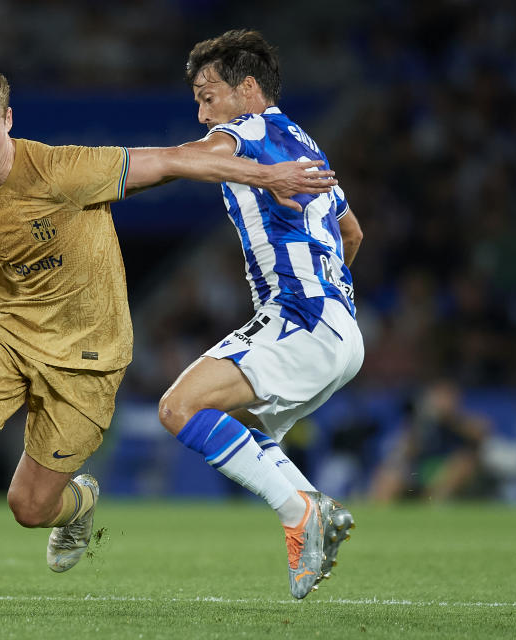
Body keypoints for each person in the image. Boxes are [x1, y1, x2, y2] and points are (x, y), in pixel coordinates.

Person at [0, 59, 335, 611]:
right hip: (9, 334)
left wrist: (269, 174)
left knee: (29, 506)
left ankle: (80, 503)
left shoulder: (62, 170)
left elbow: (168, 161)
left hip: (88, 357)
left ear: (10, 121)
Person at [156, 30, 365, 599]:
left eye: (208, 95)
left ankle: (300, 512)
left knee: (179, 406)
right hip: (340, 329)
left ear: (247, 89)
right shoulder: (305, 143)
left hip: (300, 318)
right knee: (241, 428)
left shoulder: (245, 129)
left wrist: (134, 167)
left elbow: (189, 160)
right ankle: (315, 510)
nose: (203, 114)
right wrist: (328, 296)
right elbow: (352, 231)